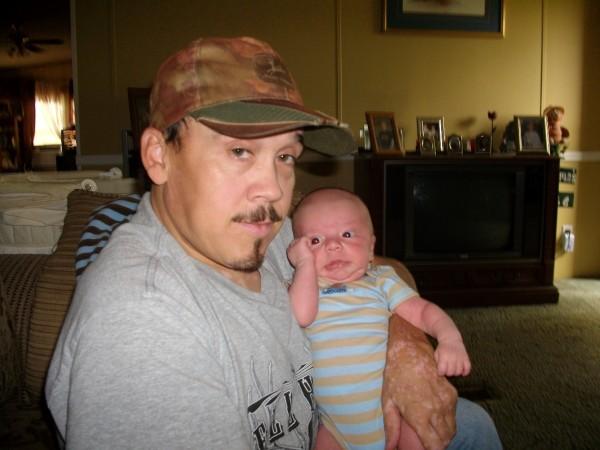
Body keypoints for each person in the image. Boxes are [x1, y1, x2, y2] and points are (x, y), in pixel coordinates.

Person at [45, 36, 500, 449]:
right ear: (158, 156)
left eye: (284, 156)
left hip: (334, 421)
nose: (273, 189)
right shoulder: (141, 328)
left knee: (474, 424)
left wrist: (405, 349)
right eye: (239, 151)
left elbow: (378, 266)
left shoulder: (261, 226)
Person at [287, 188, 474, 449]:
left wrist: (450, 339)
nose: (332, 245)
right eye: (315, 241)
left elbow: (422, 311)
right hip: (332, 427)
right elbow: (301, 315)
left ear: (371, 247)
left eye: (347, 234)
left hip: (392, 406)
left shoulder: (381, 281)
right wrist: (305, 266)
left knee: (423, 432)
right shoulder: (305, 286)